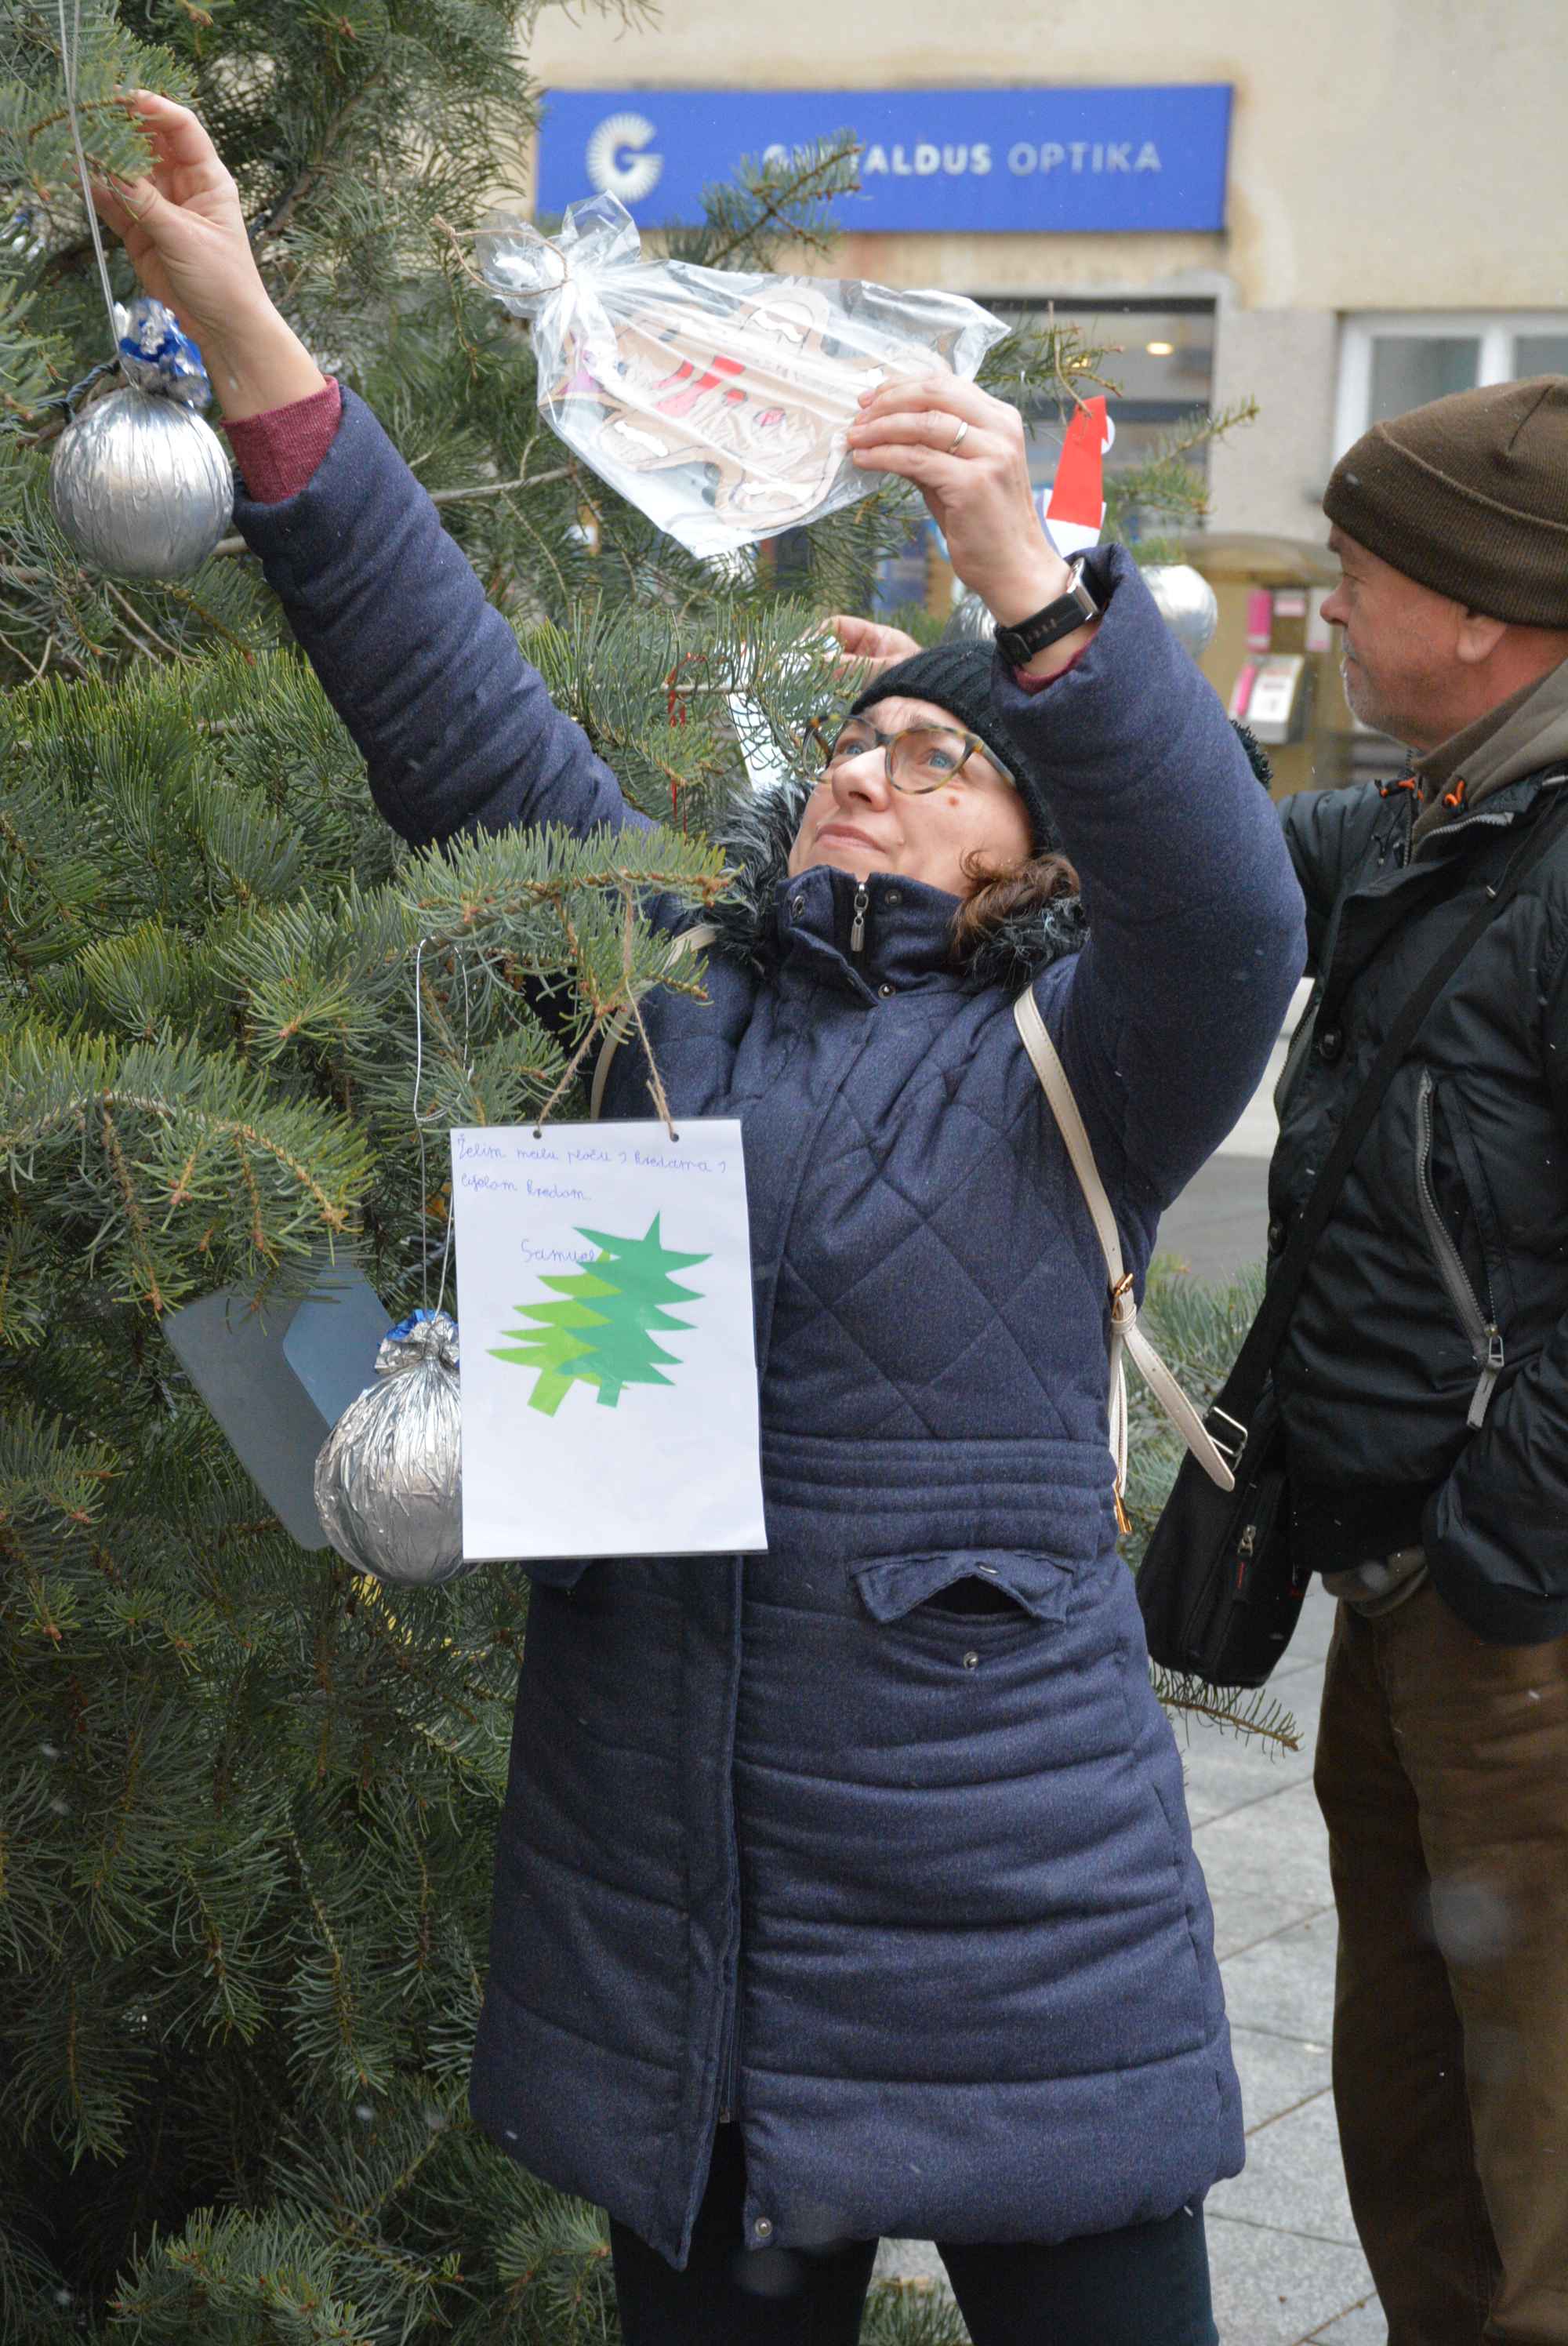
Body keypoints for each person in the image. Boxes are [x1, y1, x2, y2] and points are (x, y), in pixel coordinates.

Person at [96, 93, 1304, 2346]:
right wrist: (237, 323)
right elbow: (447, 707)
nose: (865, 765)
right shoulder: (666, 984)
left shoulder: (1088, 1054)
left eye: (937, 759)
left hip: (1011, 1924)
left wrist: (1026, 595)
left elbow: (1234, 904)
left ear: (1039, 857)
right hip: (683, 1923)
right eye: (853, 740)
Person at [1269, 378, 1568, 2346]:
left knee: (1545, 2180)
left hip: (1516, 1633)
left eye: (1347, 577)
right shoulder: (1440, 815)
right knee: (1416, 2140)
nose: (1318, 611)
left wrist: (1503, 1537)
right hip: (1399, 1602)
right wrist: (982, 680)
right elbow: (1197, 829)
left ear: (1472, 611)